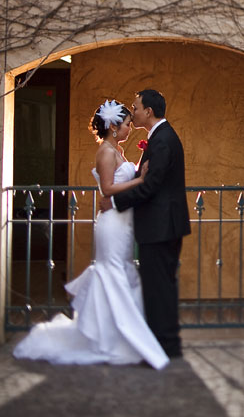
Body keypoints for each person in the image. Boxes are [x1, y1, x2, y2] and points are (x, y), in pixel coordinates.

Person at [13, 100, 169, 369]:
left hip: (124, 221)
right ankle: (113, 340)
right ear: (112, 125)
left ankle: (116, 335)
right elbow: (107, 190)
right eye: (126, 124)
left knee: (122, 272)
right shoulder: (105, 152)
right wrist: (140, 179)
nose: (130, 129)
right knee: (112, 274)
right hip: (112, 224)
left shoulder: (117, 149)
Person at [99, 89, 190, 358]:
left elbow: (151, 186)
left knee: (158, 287)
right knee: (160, 286)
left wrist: (115, 203)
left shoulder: (162, 140)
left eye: (135, 107)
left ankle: (165, 346)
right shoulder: (160, 137)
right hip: (161, 225)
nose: (133, 111)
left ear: (148, 111)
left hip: (161, 227)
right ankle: (165, 343)